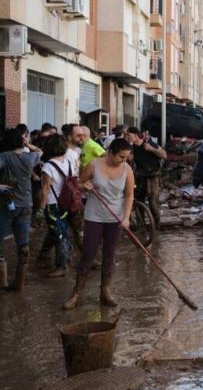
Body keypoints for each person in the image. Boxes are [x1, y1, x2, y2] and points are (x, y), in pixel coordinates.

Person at [63, 138, 134, 309]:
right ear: (110, 152)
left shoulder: (127, 169)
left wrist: (126, 218)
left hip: (115, 217)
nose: (123, 160)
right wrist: (84, 186)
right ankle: (76, 293)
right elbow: (79, 184)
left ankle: (105, 291)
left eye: (126, 157)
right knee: (88, 253)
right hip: (94, 215)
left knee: (109, 253)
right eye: (121, 157)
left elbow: (129, 195)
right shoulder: (94, 164)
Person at [0, 128, 42, 291]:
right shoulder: (30, 157)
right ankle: (19, 284)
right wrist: (27, 144)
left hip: (6, 205)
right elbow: (40, 151)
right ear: (20, 141)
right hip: (27, 205)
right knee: (23, 245)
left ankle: (2, 283)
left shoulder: (4, 156)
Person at [38, 134, 73, 278]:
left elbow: (45, 189)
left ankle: (62, 266)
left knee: (59, 234)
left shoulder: (48, 166)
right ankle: (46, 257)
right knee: (59, 231)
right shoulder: (67, 162)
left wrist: (40, 208)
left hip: (52, 205)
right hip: (65, 203)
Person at [126, 127, 166, 228]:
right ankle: (141, 224)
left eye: (129, 135)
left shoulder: (148, 143)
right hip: (140, 176)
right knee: (139, 200)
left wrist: (151, 149)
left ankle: (156, 224)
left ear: (135, 135)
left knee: (153, 201)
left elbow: (164, 155)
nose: (127, 137)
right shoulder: (132, 148)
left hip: (153, 176)